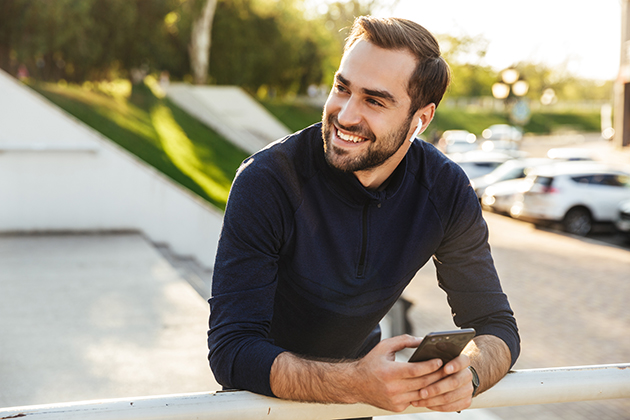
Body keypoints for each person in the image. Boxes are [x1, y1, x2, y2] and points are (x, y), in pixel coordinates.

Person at [208, 16, 520, 414]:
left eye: (374, 100)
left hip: (358, 407)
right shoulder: (268, 180)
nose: (346, 115)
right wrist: (356, 381)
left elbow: (497, 326)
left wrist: (469, 375)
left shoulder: (445, 190)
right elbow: (232, 350)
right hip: (260, 406)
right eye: (342, 88)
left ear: (420, 120)